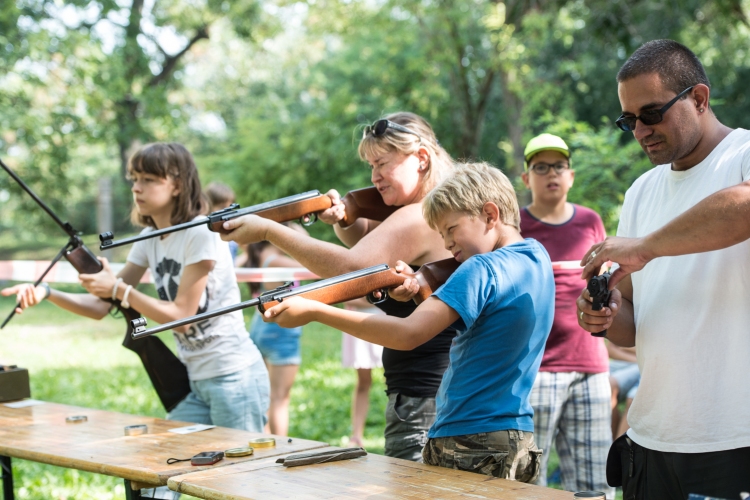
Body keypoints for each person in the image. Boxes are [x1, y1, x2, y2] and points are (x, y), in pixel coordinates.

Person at [261, 162, 555, 480]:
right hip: (517, 433)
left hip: (469, 436)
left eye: (451, 229)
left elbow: (407, 334)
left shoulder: (480, 268)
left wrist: (315, 310)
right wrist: (417, 292)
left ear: (489, 214)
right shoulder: (538, 257)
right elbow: (493, 317)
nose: (446, 244)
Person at [219, 112, 456, 461]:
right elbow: (367, 249)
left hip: (424, 396)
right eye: (370, 166)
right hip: (434, 390)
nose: (374, 176)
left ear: (421, 159)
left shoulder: (418, 215)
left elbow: (352, 270)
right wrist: (344, 219)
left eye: (381, 164)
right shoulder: (432, 208)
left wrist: (270, 231)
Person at [576, 40, 750, 497]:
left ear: (699, 98)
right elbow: (633, 322)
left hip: (734, 439)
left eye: (651, 113)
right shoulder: (640, 191)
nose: (639, 131)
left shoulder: (743, 155)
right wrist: (605, 316)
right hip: (649, 441)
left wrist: (648, 247)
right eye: (628, 120)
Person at [2, 143, 270, 433]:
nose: (136, 188)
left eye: (149, 180)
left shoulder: (199, 232)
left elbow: (182, 317)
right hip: (195, 379)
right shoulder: (149, 237)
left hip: (234, 376)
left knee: (240, 474)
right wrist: (48, 293)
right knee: (174, 462)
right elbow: (100, 306)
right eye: (134, 179)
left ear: (178, 185)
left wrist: (118, 289)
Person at [519, 133, 613, 497]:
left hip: (590, 367)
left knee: (595, 483)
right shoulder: (517, 228)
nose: (550, 173)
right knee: (529, 480)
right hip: (536, 370)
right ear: (527, 178)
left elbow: (604, 283)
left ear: (570, 176)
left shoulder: (590, 221)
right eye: (540, 167)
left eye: (558, 166)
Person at [240, 224, 308, 437]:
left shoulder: (258, 257)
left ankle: (266, 441)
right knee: (279, 399)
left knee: (267, 396)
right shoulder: (276, 261)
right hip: (281, 331)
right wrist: (301, 235)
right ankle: (278, 447)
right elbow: (311, 260)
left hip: (261, 328)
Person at [341, 297, 384, 447]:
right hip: (362, 321)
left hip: (389, 320)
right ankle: (356, 436)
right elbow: (350, 299)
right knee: (363, 382)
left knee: (395, 380)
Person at [606, 342, 639, 439]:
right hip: (633, 362)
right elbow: (611, 349)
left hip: (650, 366)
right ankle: (609, 446)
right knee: (605, 387)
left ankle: (619, 449)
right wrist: (641, 358)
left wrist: (624, 346)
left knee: (633, 400)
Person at [204, 182, 239, 261]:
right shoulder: (205, 233)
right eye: (222, 207)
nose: (227, 212)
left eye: (230, 208)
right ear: (208, 207)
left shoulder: (231, 229)